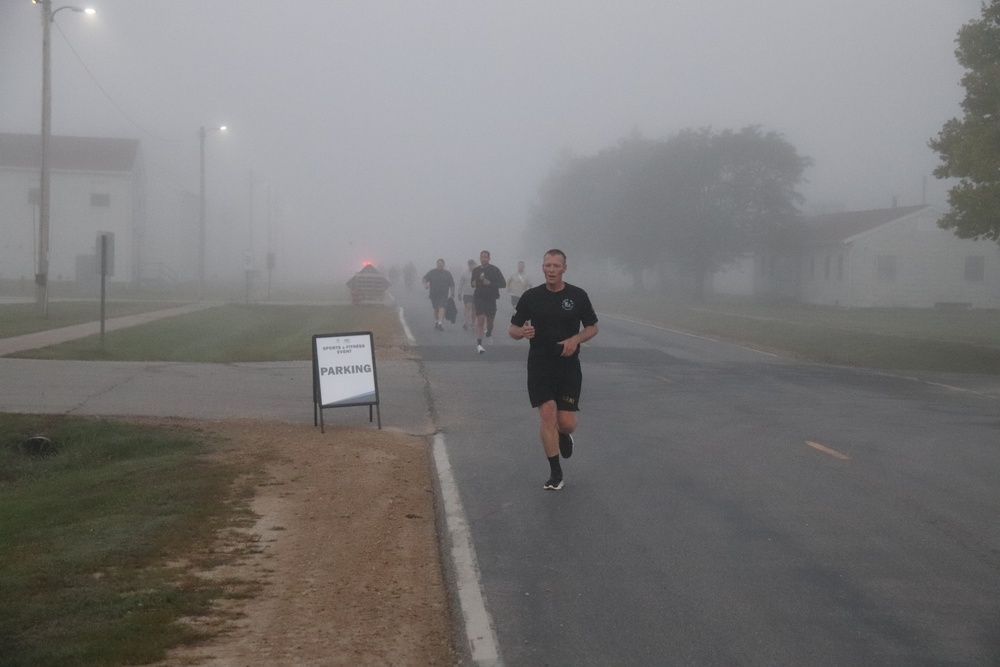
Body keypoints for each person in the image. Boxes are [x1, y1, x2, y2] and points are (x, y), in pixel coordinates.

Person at [508, 249, 598, 490]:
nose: (551, 270)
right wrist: (522, 332)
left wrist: (576, 340)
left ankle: (563, 434)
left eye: (556, 266)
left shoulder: (577, 296)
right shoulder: (531, 296)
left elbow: (592, 327)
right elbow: (512, 329)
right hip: (539, 363)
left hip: (568, 366)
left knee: (566, 422)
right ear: (542, 267)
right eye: (547, 265)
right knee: (547, 414)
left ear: (564, 268)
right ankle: (555, 473)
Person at [471, 250, 506, 354]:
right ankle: (479, 345)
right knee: (480, 320)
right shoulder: (476, 270)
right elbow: (473, 283)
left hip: (491, 299)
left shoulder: (494, 270)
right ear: (480, 258)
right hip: (479, 298)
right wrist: (473, 283)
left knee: (490, 322)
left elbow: (503, 284)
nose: (483, 259)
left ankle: (489, 331)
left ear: (489, 258)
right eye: (482, 257)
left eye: (486, 257)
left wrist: (490, 283)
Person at [422, 259, 455, 331]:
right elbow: (424, 279)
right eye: (438, 263)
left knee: (442, 307)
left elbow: (452, 284)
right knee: (436, 309)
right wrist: (425, 284)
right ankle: (437, 321)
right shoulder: (432, 272)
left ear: (443, 265)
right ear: (436, 264)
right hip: (434, 294)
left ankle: (440, 323)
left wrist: (453, 293)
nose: (440, 265)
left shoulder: (447, 273)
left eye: (441, 263)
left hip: (444, 294)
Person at [457, 259, 477, 331]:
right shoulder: (464, 273)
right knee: (468, 307)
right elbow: (461, 284)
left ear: (474, 264)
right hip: (467, 294)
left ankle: (473, 323)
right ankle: (466, 323)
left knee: (474, 309)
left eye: (472, 264)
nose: (471, 266)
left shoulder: (478, 273)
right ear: (468, 265)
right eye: (470, 264)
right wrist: (459, 293)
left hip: (476, 294)